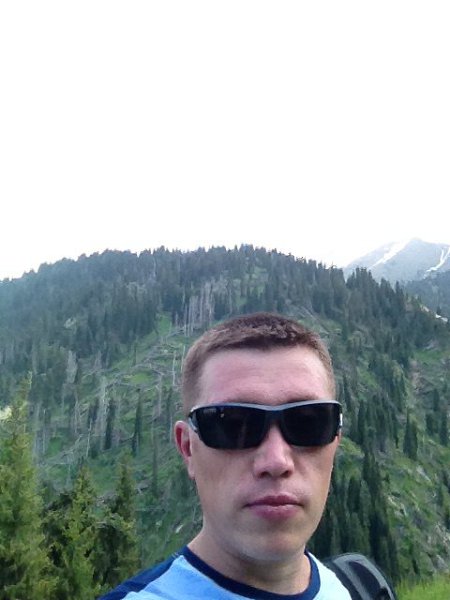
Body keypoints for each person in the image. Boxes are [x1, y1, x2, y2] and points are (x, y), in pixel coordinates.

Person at [100, 312, 351, 599]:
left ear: (335, 439)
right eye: (232, 425)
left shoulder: (350, 588)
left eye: (309, 422)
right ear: (188, 448)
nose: (276, 461)